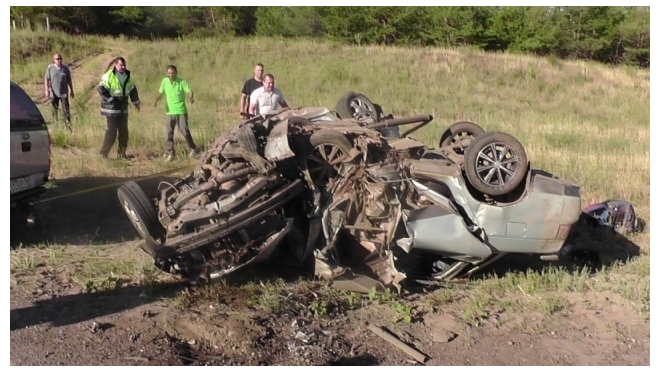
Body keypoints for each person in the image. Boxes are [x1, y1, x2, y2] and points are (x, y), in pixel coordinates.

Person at [154, 65, 199, 162]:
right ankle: (171, 153)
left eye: (173, 73)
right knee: (169, 133)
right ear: (166, 73)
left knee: (185, 131)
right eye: (169, 73)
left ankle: (193, 149)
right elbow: (161, 93)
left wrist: (191, 97)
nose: (171, 75)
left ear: (176, 73)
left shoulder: (181, 82)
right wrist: (156, 100)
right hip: (170, 112)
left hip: (181, 111)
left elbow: (189, 91)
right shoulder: (164, 82)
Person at [97, 56, 140, 159]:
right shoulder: (108, 76)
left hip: (123, 107)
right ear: (115, 65)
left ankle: (121, 154)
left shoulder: (127, 76)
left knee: (124, 131)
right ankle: (103, 154)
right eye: (121, 65)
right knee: (112, 131)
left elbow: (132, 89)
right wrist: (110, 99)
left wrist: (136, 102)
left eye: (124, 65)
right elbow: (101, 89)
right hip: (111, 108)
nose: (123, 67)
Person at [44, 53, 74, 130]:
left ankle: (68, 126)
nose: (59, 60)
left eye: (60, 59)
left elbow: (69, 80)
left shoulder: (65, 68)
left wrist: (72, 90)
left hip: (64, 93)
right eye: (57, 59)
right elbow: (47, 79)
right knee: (54, 110)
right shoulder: (50, 68)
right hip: (53, 93)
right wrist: (47, 90)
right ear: (54, 60)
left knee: (66, 110)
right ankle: (55, 126)